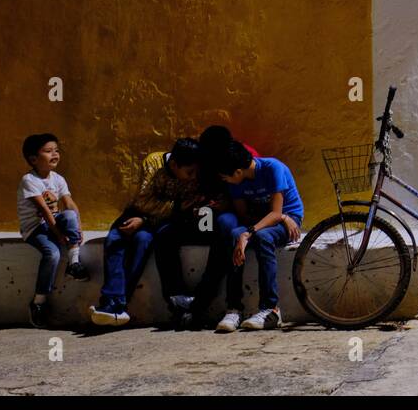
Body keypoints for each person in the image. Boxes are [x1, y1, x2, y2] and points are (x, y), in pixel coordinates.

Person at [184, 141, 304, 332]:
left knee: (264, 238)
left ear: (238, 172)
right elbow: (243, 215)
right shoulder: (237, 183)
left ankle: (270, 309)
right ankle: (234, 309)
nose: (225, 181)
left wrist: (258, 228)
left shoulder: (273, 168)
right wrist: (246, 232)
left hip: (287, 220)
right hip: (260, 221)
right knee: (234, 235)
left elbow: (275, 213)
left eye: (226, 177)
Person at [88, 138, 206, 327]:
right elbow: (143, 201)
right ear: (174, 164)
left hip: (161, 222)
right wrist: (156, 212)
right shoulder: (154, 162)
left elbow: (186, 206)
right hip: (138, 214)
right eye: (189, 172)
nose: (193, 177)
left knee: (143, 241)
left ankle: (116, 304)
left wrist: (145, 219)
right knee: (115, 239)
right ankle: (114, 302)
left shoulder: (195, 175)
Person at [17, 133, 89, 328]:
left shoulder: (58, 178)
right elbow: (44, 211)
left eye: (56, 150)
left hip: (53, 222)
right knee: (53, 254)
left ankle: (74, 263)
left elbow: (70, 204)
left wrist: (78, 228)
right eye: (48, 151)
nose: (55, 154)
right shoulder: (29, 180)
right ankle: (38, 302)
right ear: (33, 159)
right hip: (35, 228)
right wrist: (59, 236)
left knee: (70, 215)